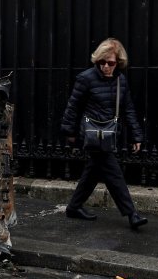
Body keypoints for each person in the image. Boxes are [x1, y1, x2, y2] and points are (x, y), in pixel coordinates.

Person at [60, 38, 147, 229]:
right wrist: (69, 132)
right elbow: (73, 106)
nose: (106, 66)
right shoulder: (86, 78)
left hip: (109, 133)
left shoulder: (120, 81)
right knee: (113, 172)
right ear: (97, 60)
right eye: (102, 62)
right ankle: (132, 214)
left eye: (111, 63)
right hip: (91, 134)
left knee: (93, 171)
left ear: (118, 63)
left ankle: (74, 207)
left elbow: (129, 109)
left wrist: (136, 136)